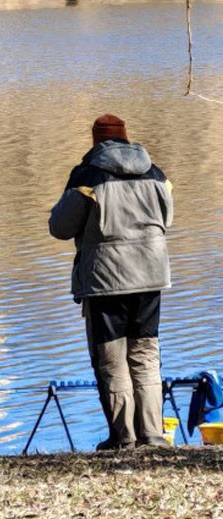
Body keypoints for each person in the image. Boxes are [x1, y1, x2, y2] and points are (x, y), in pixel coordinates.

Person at [49, 114, 174, 450]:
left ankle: (124, 439)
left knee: (111, 359)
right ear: (125, 138)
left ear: (96, 141)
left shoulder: (88, 177)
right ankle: (153, 436)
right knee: (146, 355)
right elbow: (167, 218)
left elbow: (60, 227)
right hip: (150, 276)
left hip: (107, 280)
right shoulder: (156, 173)